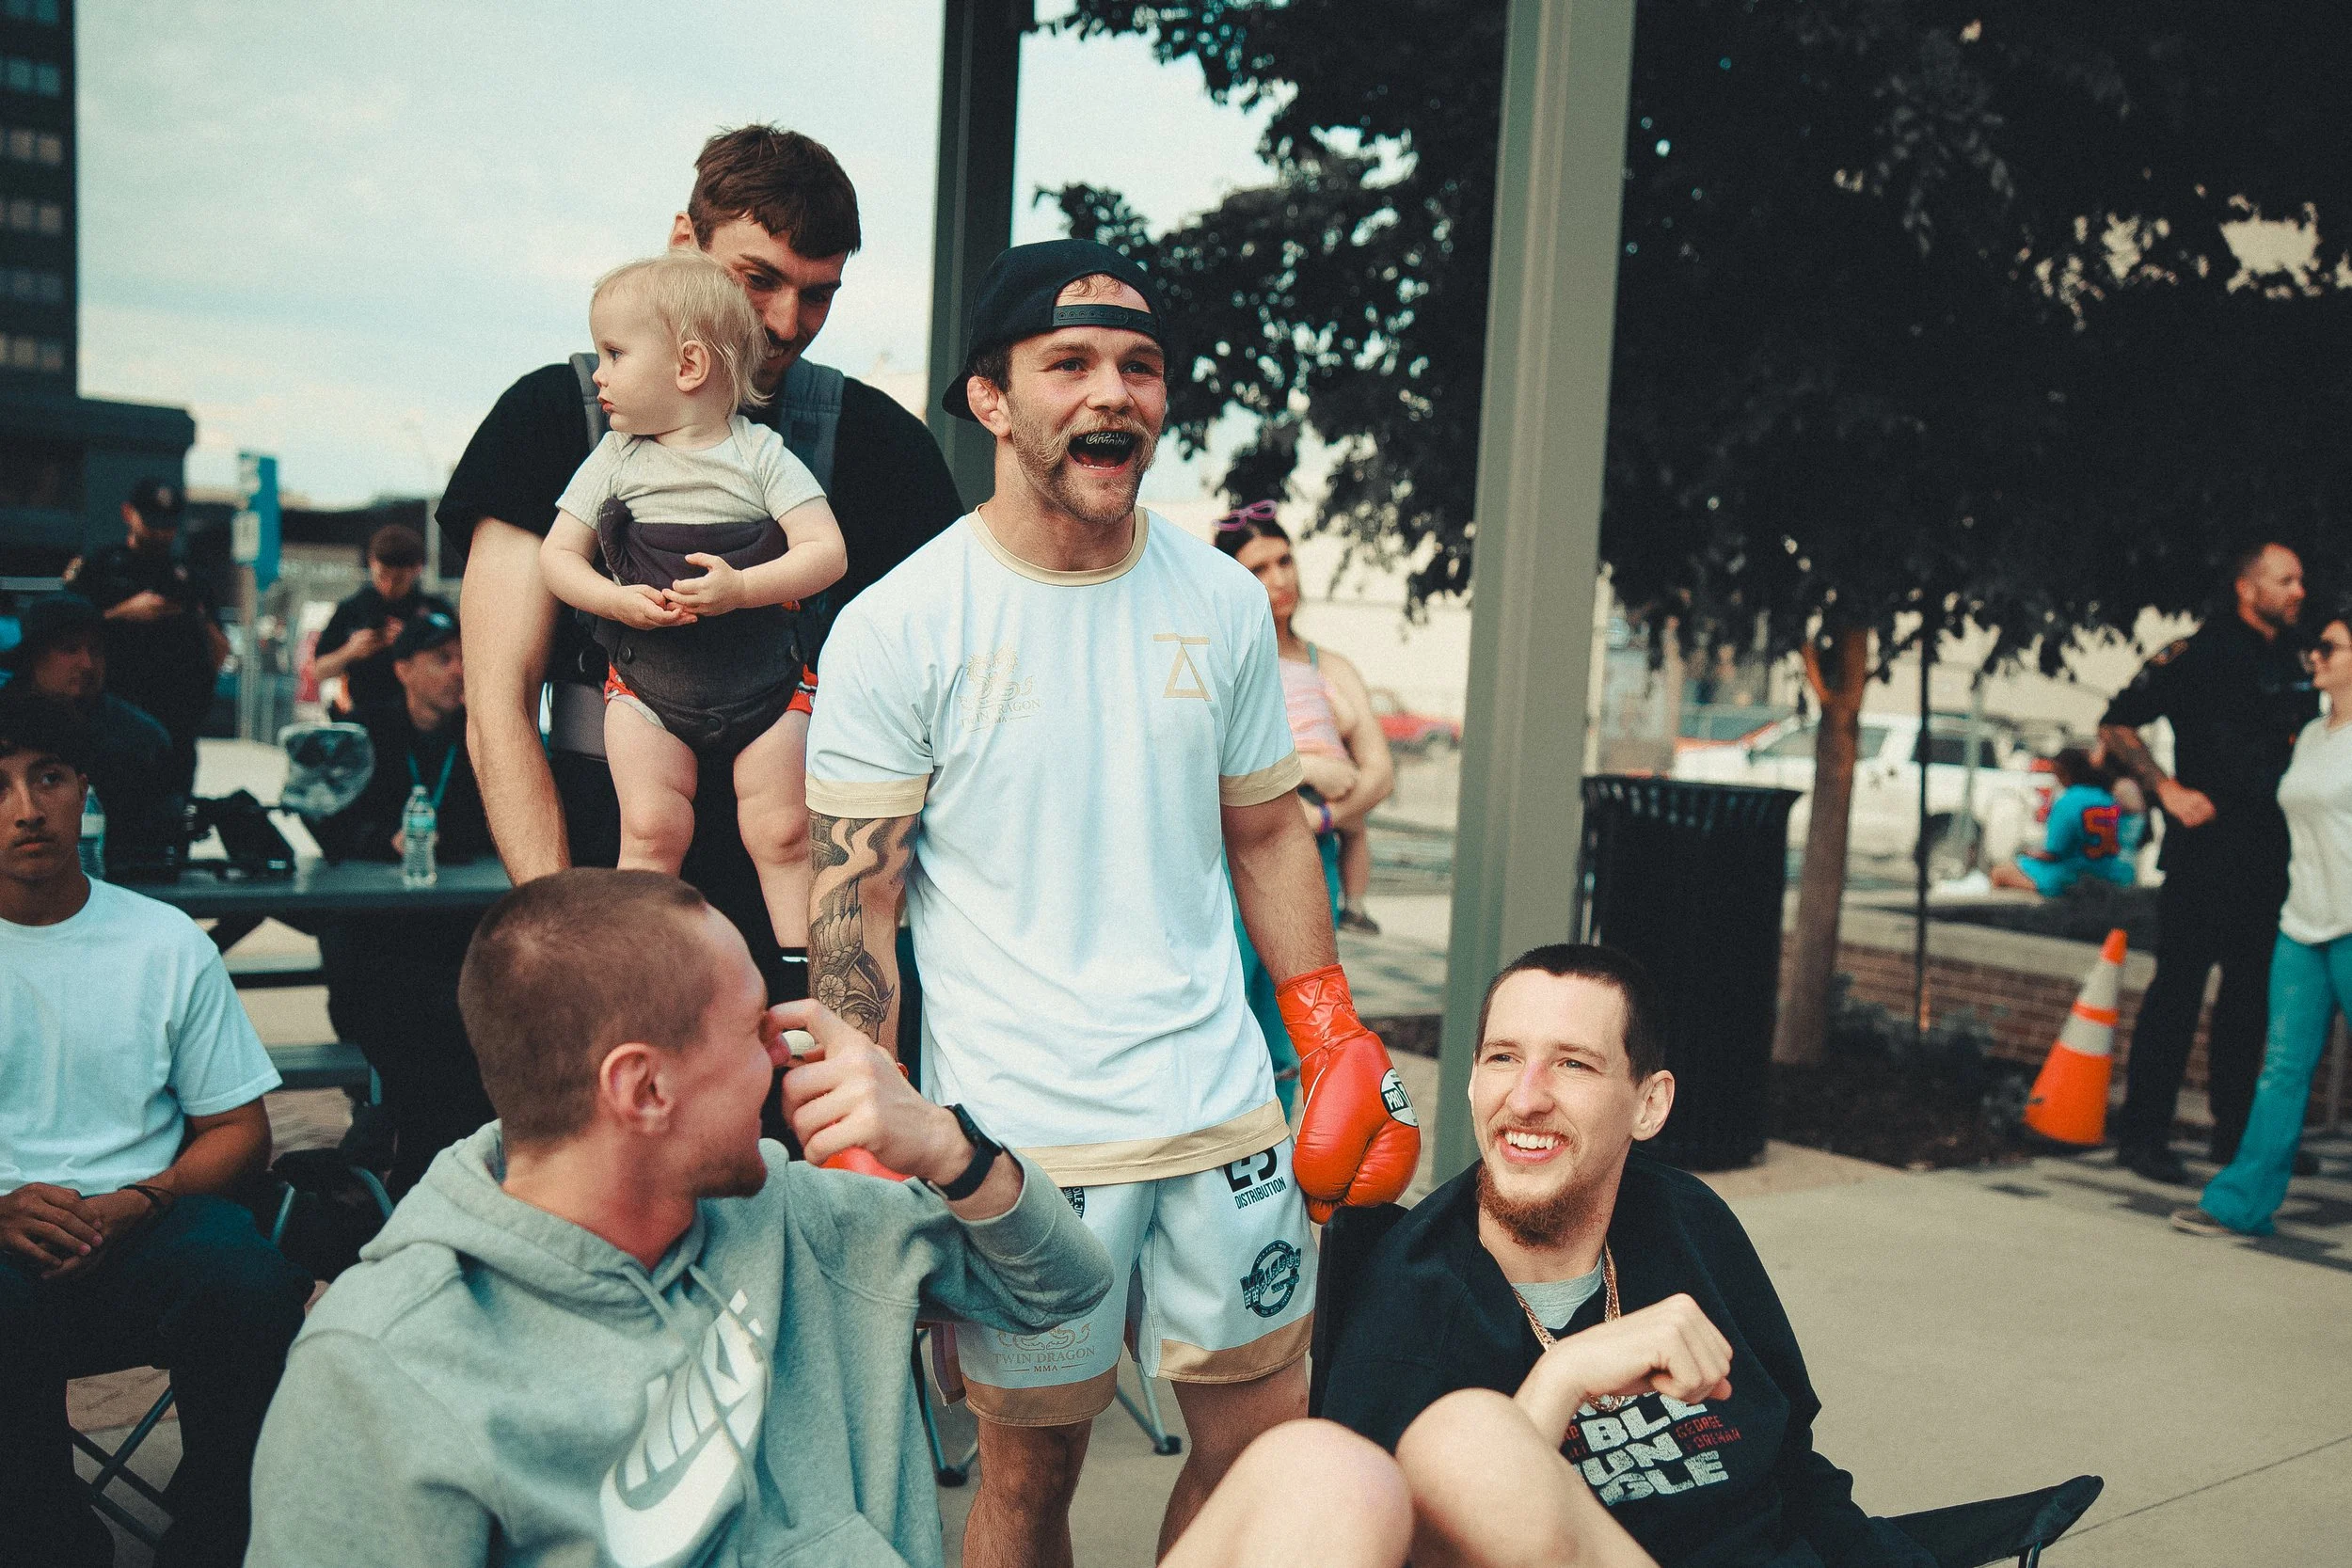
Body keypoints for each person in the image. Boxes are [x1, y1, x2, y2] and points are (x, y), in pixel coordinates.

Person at [245, 868, 1413, 1568]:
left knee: (1325, 1474)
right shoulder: (384, 1364)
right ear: (642, 1088)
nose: (792, 1057)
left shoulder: (801, 1213)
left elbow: (1067, 1295)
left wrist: (949, 1146)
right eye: (757, 1031)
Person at [805, 238, 1421, 1567]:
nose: (1116, 393)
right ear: (990, 399)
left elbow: (1264, 829)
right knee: (1030, 1477)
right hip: (1026, 1137)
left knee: (1267, 1453)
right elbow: (856, 899)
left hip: (1221, 1104)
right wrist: (861, 1107)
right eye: (1071, 362)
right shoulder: (901, 621)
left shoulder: (1218, 596)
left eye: (1141, 366)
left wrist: (1330, 1032)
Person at [437, 125, 963, 1025]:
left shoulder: (880, 446)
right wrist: (571, 941)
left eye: (819, 295)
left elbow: (941, 720)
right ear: (684, 244)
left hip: (810, 930)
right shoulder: (554, 417)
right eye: (757, 279)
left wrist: (857, 981)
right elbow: (498, 704)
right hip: (614, 901)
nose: (786, 324)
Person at [1324, 944, 1935, 1568]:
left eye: (1573, 1064)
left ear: (1649, 1104)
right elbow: (1416, 1543)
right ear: (1474, 1079)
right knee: (1467, 1435)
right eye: (1504, 1057)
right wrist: (1567, 1374)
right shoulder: (1411, 1293)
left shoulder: (1687, 1222)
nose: (1527, 1097)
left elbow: (1794, 1466)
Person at [0, 684, 311, 1568]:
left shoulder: (163, 941)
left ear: (84, 787)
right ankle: (47, 1542)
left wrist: (146, 1195)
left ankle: (221, 1535)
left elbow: (240, 1130)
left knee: (248, 1278)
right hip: (2, 1239)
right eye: (0, 785)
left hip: (144, 1224)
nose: (26, 809)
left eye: (48, 777)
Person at [540, 251, 846, 950]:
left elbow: (826, 553)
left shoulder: (761, 455)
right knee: (649, 827)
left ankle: (807, 978)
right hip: (648, 683)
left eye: (614, 353)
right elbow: (558, 558)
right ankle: (641, 972)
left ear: (688, 365)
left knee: (784, 830)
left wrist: (742, 588)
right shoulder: (615, 458)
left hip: (764, 680)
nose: (600, 375)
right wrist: (615, 603)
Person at [2099, 540, 2318, 1183]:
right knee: (2178, 991)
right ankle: (2143, 1136)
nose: (2299, 590)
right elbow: (2116, 723)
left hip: (2273, 854)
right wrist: (2166, 789)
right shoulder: (2196, 653)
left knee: (2251, 997)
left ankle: (2234, 1134)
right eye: (2286, 579)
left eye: (2301, 579)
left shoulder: (2300, 660)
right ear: (2248, 589)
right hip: (2205, 853)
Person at [2174, 605, 2352, 1238]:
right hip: (2303, 924)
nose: (2317, 656)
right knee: (2282, 1068)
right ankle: (2239, 1204)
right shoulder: (2311, 735)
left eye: (2332, 647)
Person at [1215, 500, 1397, 1106]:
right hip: (1228, 861)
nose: (1279, 579)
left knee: (1296, 1026)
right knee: (1223, 1015)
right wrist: (1310, 768)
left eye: (1285, 561)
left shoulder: (1331, 666)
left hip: (1311, 853)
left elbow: (1377, 774)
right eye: (1259, 569)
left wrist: (1318, 814)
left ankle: (1286, 1179)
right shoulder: (1220, 658)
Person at [312, 610, 497, 1196]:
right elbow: (325, 820)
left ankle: (418, 1159)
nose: (460, 671)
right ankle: (410, 1162)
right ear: (402, 669)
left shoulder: (485, 732)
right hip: (380, 939)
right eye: (443, 659)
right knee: (410, 1025)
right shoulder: (362, 732)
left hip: (455, 934)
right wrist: (377, 841)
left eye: (464, 657)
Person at [61, 476, 230, 796]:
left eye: (169, 524)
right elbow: (63, 634)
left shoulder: (189, 576)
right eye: (152, 522)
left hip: (174, 725)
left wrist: (202, 624)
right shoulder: (100, 568)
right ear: (128, 513)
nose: (161, 532)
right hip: (110, 719)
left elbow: (217, 648)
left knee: (169, 823)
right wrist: (122, 613)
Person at [2, 591, 185, 872]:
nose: (87, 664)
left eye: (96, 650)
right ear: (33, 657)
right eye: (69, 649)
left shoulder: (141, 738)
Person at [310, 523, 453, 720]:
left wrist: (412, 640)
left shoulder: (435, 612)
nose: (389, 586)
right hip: (363, 715)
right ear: (371, 563)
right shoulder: (351, 609)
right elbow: (319, 671)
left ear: (417, 569)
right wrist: (351, 651)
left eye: (399, 579)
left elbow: (457, 664)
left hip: (420, 721)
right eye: (383, 576)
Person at [1989, 747, 2134, 895]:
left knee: (2000, 872)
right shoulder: (2106, 798)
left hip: (2076, 876)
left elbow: (2053, 853)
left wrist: (2027, 853)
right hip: (2108, 871)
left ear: (2064, 772)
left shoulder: (2068, 801)